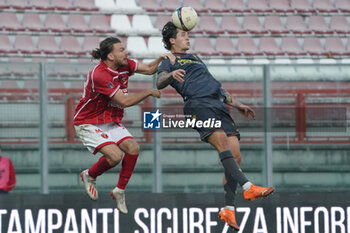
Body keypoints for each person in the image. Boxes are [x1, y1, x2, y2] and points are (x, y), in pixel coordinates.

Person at [156, 22, 275, 231]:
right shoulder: (168, 60)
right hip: (197, 105)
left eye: (187, 34)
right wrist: (170, 75)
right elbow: (159, 82)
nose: (188, 37)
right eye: (183, 34)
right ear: (172, 40)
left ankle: (228, 209)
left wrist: (238, 105)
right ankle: (248, 187)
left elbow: (217, 87)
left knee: (235, 155)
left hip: (217, 104)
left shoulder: (196, 58)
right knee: (222, 144)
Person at [74, 37, 174, 214]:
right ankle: (89, 175)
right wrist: (149, 92)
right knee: (114, 156)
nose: (125, 52)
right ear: (110, 56)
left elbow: (150, 69)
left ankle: (119, 190)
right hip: (88, 122)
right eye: (121, 50)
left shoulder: (124, 64)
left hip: (110, 120)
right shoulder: (100, 75)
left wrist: (163, 58)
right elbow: (125, 101)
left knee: (133, 148)